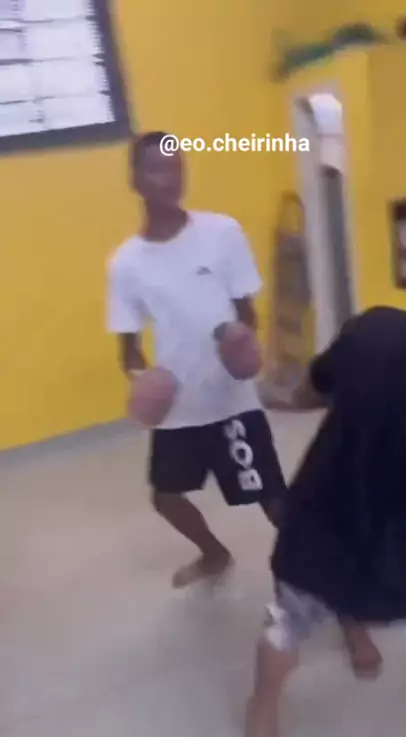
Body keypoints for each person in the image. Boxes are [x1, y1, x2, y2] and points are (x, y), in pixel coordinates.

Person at [246, 203, 406, 737]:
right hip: (398, 575)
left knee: (284, 625)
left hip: (308, 545)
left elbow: (307, 393)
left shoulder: (372, 329)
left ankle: (261, 716)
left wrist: (267, 391)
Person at [106, 131, 286, 588]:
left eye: (177, 167)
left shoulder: (221, 233)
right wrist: (142, 380)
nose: (170, 179)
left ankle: (317, 578)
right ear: (135, 180)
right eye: (157, 169)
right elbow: (129, 347)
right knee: (165, 497)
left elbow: (247, 312)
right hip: (178, 407)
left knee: (271, 498)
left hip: (230, 401)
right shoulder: (126, 263)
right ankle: (214, 554)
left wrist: (241, 342)